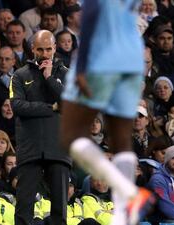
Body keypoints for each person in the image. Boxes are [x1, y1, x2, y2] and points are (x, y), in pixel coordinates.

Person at [59, 1, 156, 225]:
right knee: (121, 141)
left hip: (100, 54)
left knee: (69, 136)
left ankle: (130, 193)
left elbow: (93, 9)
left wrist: (82, 63)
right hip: (132, 55)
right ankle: (123, 215)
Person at [10, 30, 70, 225]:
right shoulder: (19, 75)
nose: (45, 54)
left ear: (55, 48)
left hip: (59, 148)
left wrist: (49, 78)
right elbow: (17, 106)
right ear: (33, 49)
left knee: (59, 210)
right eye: (40, 49)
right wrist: (51, 107)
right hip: (30, 149)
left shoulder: (67, 74)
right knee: (23, 208)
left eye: (49, 49)